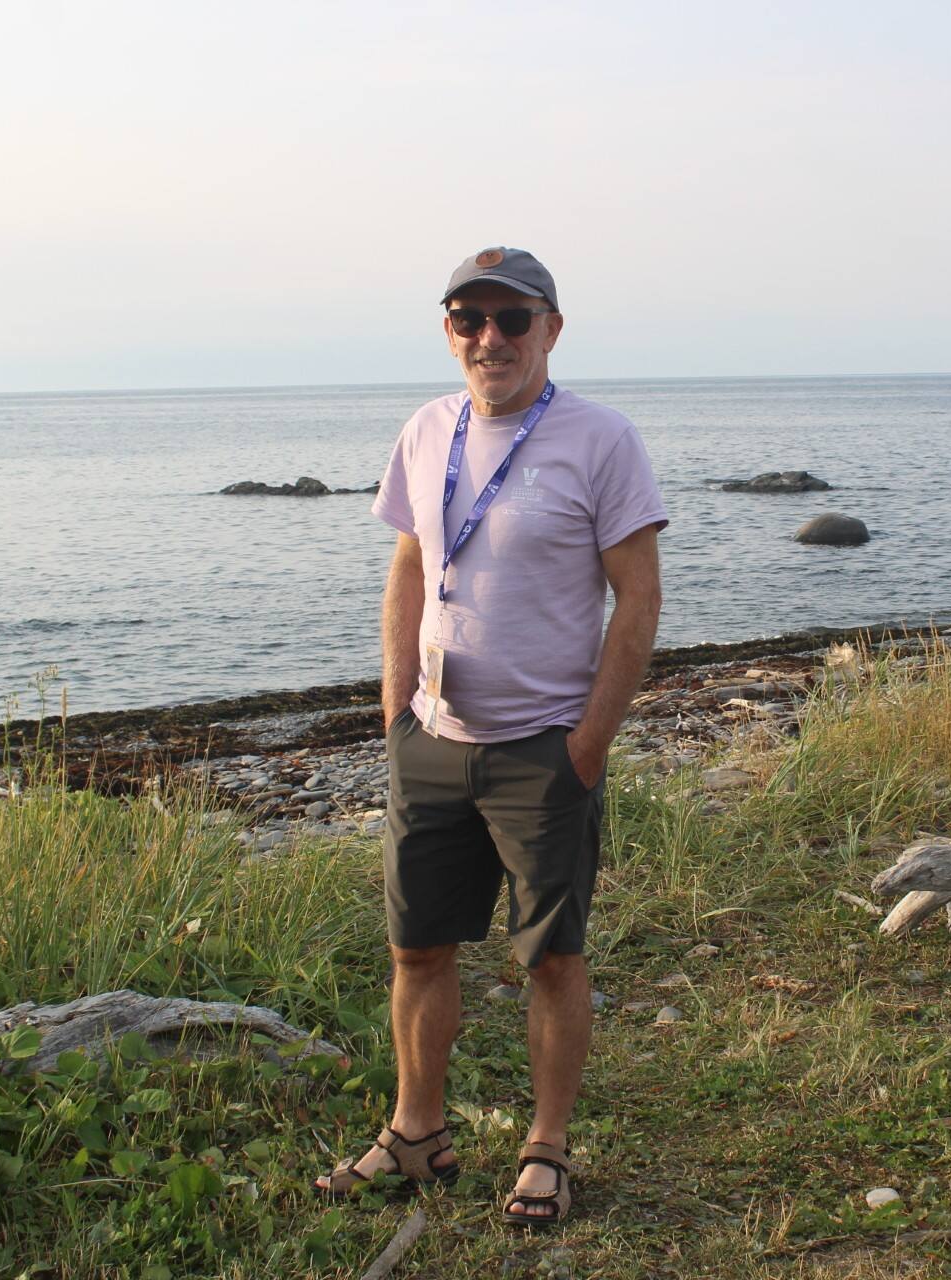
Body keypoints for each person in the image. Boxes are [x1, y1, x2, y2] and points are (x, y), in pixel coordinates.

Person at [314, 247, 667, 1226]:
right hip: (431, 741)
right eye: (469, 319)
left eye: (512, 318)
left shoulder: (602, 439)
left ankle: (546, 1148)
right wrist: (395, 708)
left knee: (550, 958)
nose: (490, 338)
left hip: (542, 749)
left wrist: (586, 746)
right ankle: (415, 1132)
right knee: (417, 948)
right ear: (449, 332)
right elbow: (409, 564)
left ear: (551, 328)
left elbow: (638, 600)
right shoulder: (427, 428)